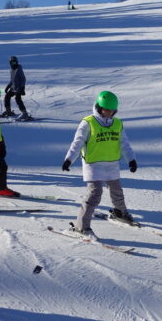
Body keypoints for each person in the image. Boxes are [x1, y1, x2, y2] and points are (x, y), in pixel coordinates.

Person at [61, 91, 137, 237]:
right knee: (95, 194)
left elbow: (124, 143)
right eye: (106, 110)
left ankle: (120, 212)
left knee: (117, 191)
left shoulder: (118, 123)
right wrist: (69, 159)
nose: (109, 113)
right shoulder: (88, 122)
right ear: (99, 107)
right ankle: (81, 226)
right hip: (93, 164)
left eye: (112, 111)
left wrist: (131, 159)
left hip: (112, 163)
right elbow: (77, 143)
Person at [1, 56, 31, 120]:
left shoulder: (19, 69)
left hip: (19, 87)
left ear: (17, 62)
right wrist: (8, 86)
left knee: (18, 99)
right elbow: (12, 80)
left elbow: (23, 79)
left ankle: (24, 113)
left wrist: (22, 87)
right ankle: (8, 111)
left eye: (14, 62)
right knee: (7, 97)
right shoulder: (11, 69)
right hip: (13, 87)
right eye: (12, 63)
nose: (13, 64)